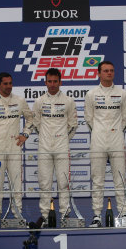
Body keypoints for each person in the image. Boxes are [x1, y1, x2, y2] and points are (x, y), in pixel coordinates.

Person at [0, 72, 33, 220]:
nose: (9, 86)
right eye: (5, 84)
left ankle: (18, 217)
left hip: (15, 147)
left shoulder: (20, 100)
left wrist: (25, 134)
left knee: (16, 184)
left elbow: (30, 119)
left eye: (10, 83)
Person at [84, 61, 126, 227]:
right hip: (98, 140)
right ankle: (97, 215)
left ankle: (123, 213)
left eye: (111, 70)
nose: (109, 73)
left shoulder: (122, 93)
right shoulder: (91, 94)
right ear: (99, 73)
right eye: (105, 71)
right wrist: (99, 131)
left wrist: (115, 130)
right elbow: (89, 118)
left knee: (120, 178)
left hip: (116, 139)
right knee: (97, 179)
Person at [31, 68, 78, 222]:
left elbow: (73, 124)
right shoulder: (39, 101)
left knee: (63, 182)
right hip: (44, 147)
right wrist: (45, 137)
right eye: (49, 81)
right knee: (44, 182)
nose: (52, 84)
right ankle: (45, 215)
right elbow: (36, 124)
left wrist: (63, 139)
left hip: (62, 147)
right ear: (45, 82)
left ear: (60, 82)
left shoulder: (68, 101)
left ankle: (65, 213)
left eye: (55, 81)